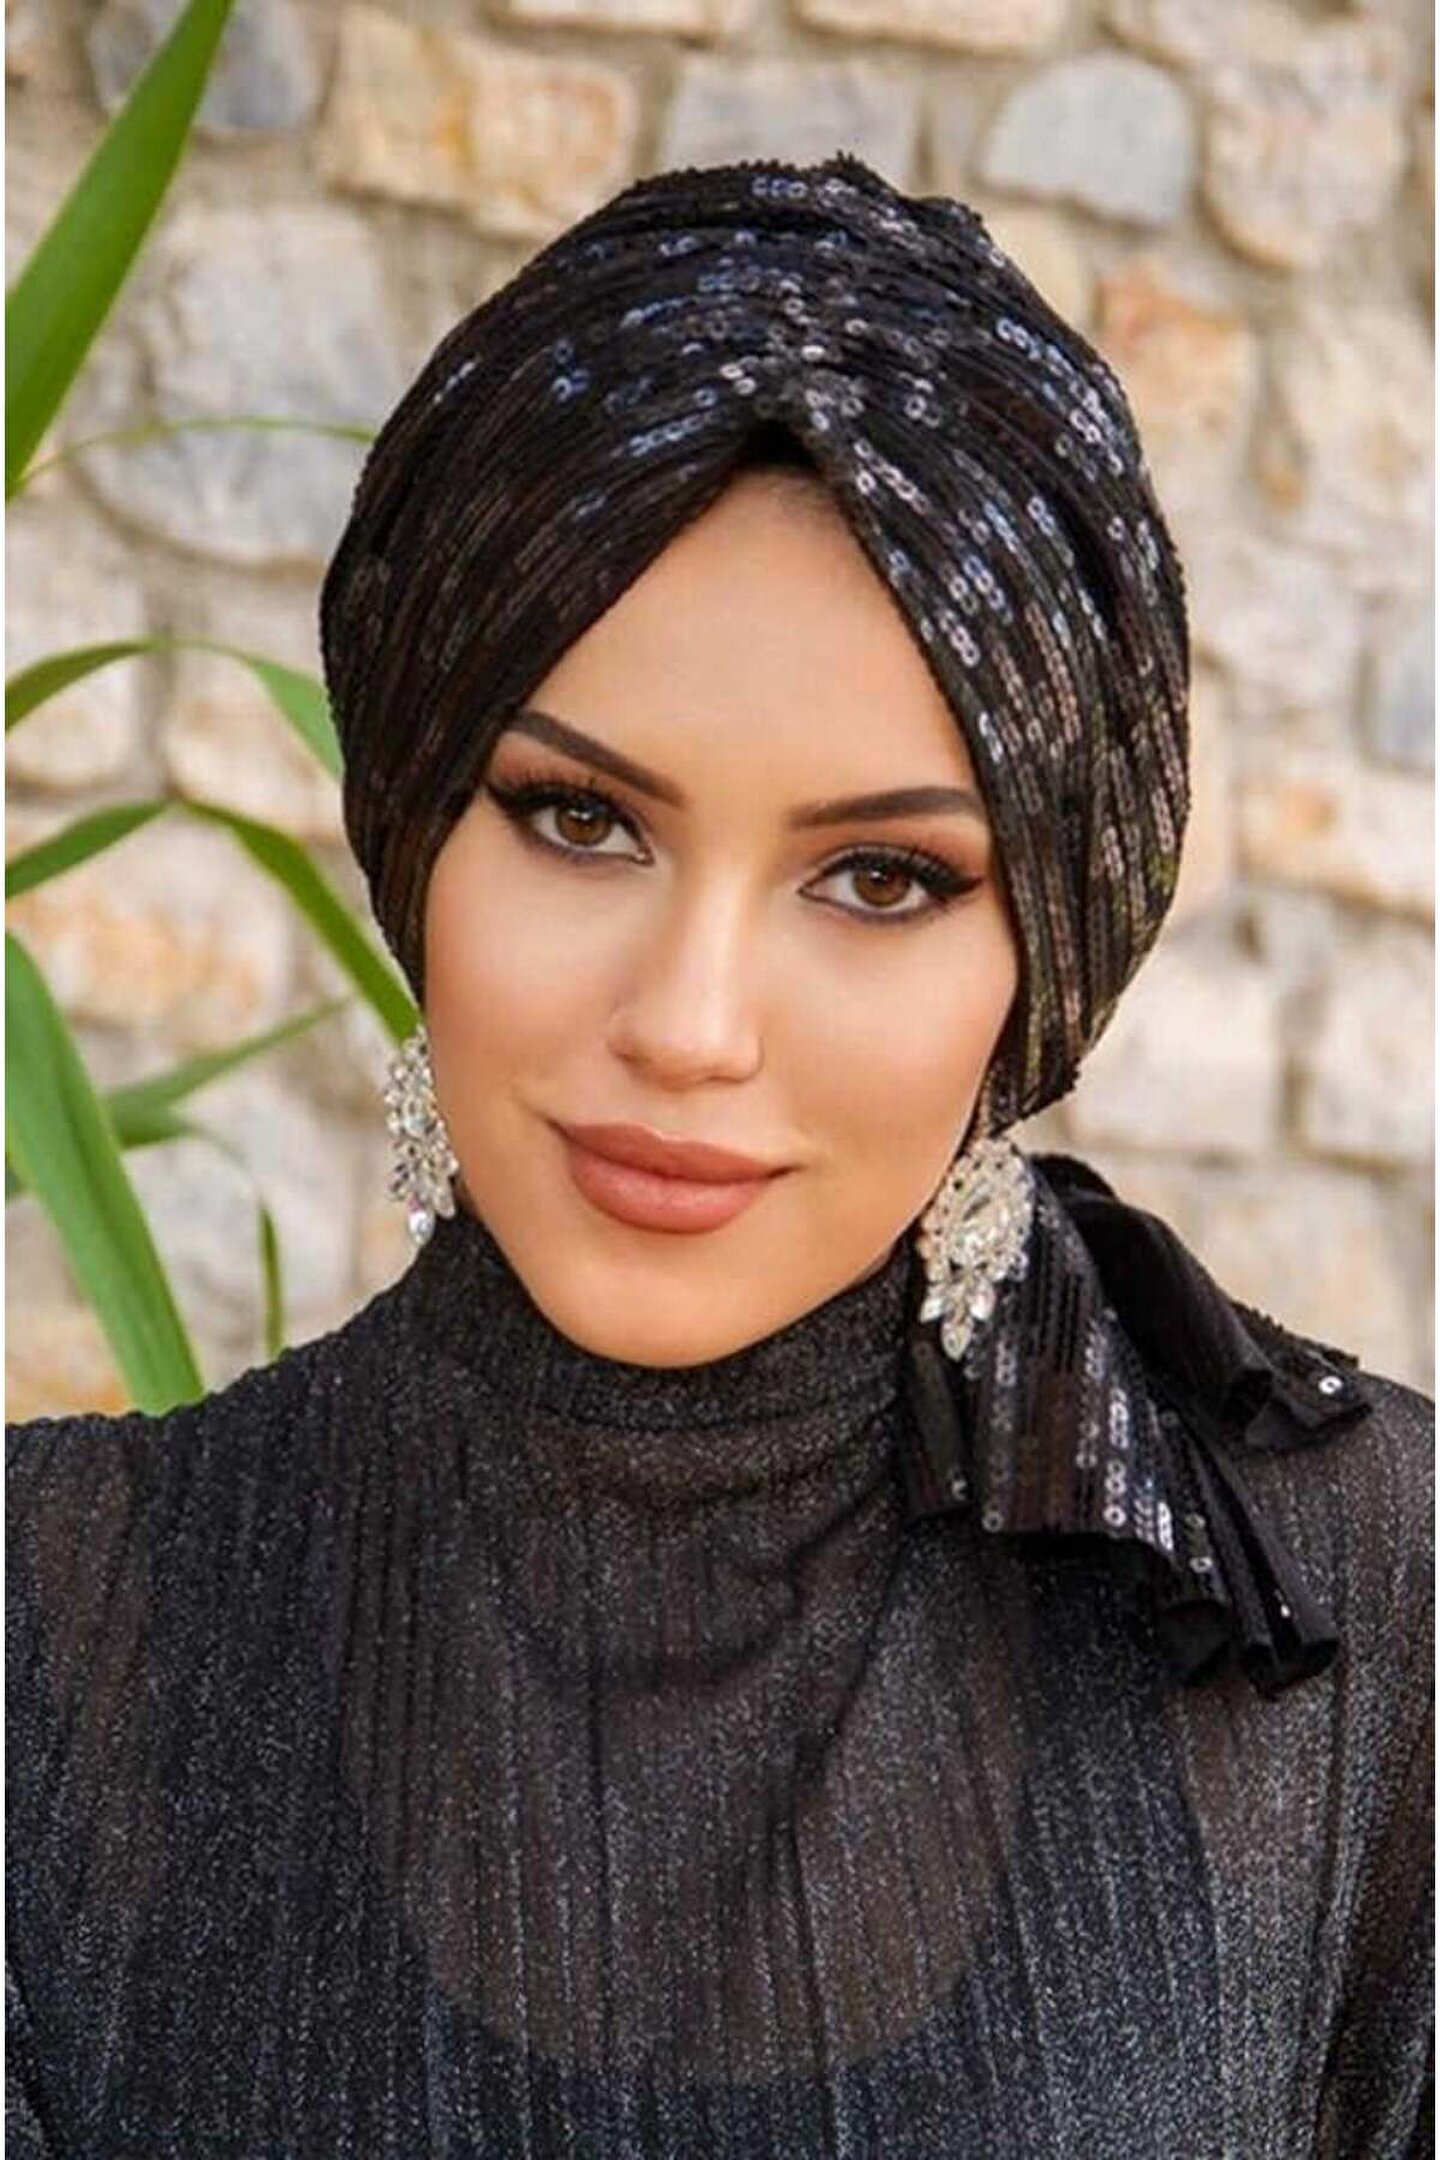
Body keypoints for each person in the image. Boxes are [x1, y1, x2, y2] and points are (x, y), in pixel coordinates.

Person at [7, 152, 1432, 2158]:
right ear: (418, 829)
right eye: (582, 821)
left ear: (1048, 951)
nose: (689, 1023)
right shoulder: (45, 1632)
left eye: (880, 877)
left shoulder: (1360, 1612)